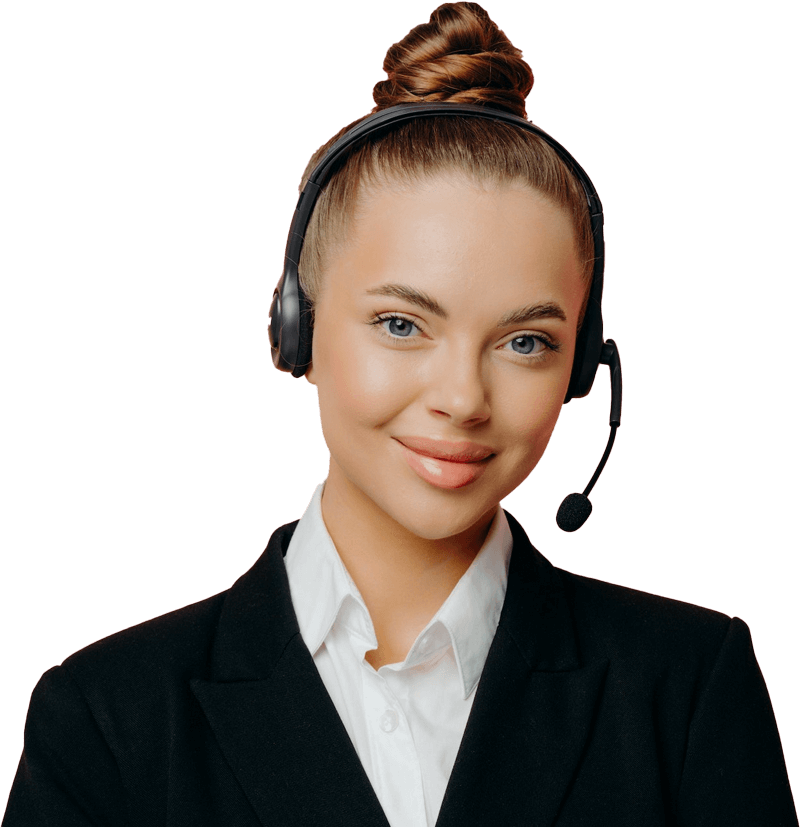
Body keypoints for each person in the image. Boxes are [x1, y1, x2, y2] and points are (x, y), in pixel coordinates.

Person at [5, 3, 795, 825]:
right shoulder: (106, 719)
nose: (462, 397)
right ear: (295, 331)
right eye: (401, 324)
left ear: (585, 366)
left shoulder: (689, 687)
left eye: (525, 341)